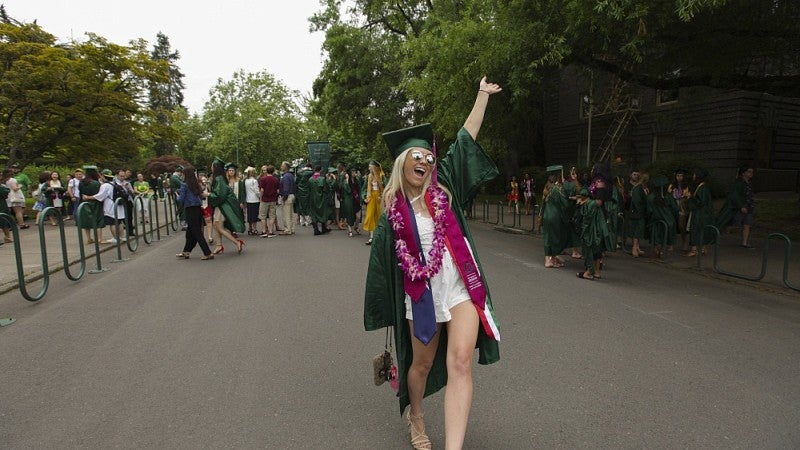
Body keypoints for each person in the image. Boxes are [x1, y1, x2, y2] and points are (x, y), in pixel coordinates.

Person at [364, 76, 502, 450]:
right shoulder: (393, 214)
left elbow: (465, 139)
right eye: (417, 156)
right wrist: (386, 309)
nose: (424, 161)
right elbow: (381, 271)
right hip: (421, 294)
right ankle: (417, 414)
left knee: (460, 362)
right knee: (421, 366)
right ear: (402, 163)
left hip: (459, 288)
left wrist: (481, 96)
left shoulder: (445, 189)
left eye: (428, 156)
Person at [175, 167, 214, 260]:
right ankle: (186, 252)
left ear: (186, 175)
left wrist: (176, 195)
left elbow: (181, 199)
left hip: (190, 209)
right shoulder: (196, 184)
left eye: (183, 174)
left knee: (197, 233)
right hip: (197, 209)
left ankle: (207, 253)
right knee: (190, 233)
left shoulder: (184, 185)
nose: (182, 175)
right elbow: (201, 197)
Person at [208, 158, 245, 255]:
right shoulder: (221, 177)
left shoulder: (219, 178)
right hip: (220, 206)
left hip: (221, 207)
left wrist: (208, 195)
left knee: (219, 227)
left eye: (212, 165)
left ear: (215, 167)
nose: (211, 167)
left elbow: (220, 195)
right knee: (217, 226)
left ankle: (237, 242)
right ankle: (219, 246)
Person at [574, 186, 611, 280]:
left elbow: (584, 220)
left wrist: (580, 205)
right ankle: (597, 272)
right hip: (599, 231)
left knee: (588, 251)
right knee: (597, 252)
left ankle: (589, 271)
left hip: (591, 232)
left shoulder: (588, 205)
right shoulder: (593, 203)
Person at [716, 165, 755, 248]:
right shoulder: (739, 183)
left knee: (747, 224)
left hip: (748, 206)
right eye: (749, 171)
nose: (751, 173)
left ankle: (744, 242)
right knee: (733, 223)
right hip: (740, 207)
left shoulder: (749, 184)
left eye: (751, 172)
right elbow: (735, 195)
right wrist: (741, 206)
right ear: (744, 173)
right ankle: (721, 232)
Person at [540, 166, 569, 268]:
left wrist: (540, 216)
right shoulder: (558, 189)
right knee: (555, 237)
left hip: (546, 215)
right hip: (555, 216)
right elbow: (565, 204)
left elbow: (543, 204)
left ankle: (551, 258)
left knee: (548, 237)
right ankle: (549, 259)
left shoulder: (546, 188)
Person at [685, 167, 714, 257]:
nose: (693, 176)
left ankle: (695, 250)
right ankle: (702, 248)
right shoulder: (702, 187)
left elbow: (699, 202)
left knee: (695, 229)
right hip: (703, 213)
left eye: (695, 174)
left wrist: (689, 197)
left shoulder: (702, 188)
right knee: (701, 230)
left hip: (700, 213)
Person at [77, 166, 106, 243]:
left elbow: (80, 193)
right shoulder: (96, 183)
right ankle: (99, 238)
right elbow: (99, 194)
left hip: (84, 203)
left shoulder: (81, 182)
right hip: (95, 202)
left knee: (86, 221)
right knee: (98, 220)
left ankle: (89, 238)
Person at [362, 160, 385, 245]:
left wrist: (382, 196)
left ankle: (378, 235)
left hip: (379, 198)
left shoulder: (381, 176)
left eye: (369, 166)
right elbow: (364, 189)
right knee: (370, 215)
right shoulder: (369, 176)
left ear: (374, 167)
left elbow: (386, 187)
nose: (368, 168)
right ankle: (371, 237)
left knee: (378, 216)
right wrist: (364, 196)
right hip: (371, 197)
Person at [629, 171, 649, 257]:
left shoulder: (638, 188)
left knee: (638, 230)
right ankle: (634, 248)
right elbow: (637, 201)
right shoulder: (638, 188)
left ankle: (636, 247)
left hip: (637, 212)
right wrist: (642, 210)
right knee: (637, 230)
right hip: (638, 213)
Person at [668, 169, 689, 251]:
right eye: (677, 176)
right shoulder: (671, 186)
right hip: (673, 207)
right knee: (672, 226)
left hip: (682, 207)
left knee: (681, 226)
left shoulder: (686, 186)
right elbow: (669, 196)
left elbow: (687, 196)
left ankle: (684, 242)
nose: (679, 177)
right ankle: (671, 244)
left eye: (681, 176)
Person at [258, 165, 280, 238]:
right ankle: (270, 232)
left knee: (263, 216)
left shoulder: (263, 179)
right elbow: (278, 190)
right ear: (273, 171)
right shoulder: (276, 180)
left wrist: (260, 198)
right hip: (273, 200)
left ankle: (264, 231)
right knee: (272, 216)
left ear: (266, 171)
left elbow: (262, 190)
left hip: (264, 200)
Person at [339, 165, 362, 237]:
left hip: (356, 200)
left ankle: (356, 226)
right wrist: (346, 180)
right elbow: (348, 190)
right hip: (349, 200)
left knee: (358, 217)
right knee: (349, 216)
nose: (354, 173)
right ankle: (350, 230)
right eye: (352, 171)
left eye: (354, 171)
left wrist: (361, 200)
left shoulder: (357, 180)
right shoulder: (345, 181)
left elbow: (360, 190)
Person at [279, 161, 297, 235]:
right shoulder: (290, 175)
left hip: (287, 196)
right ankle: (291, 229)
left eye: (282, 165)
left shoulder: (285, 176)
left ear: (285, 167)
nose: (281, 166)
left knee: (286, 214)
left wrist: (284, 197)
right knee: (290, 213)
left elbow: (286, 188)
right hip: (292, 195)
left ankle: (287, 230)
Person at [242, 167, 261, 235]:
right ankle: (255, 229)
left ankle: (250, 228)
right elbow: (256, 191)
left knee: (250, 215)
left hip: (248, 199)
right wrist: (260, 195)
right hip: (255, 200)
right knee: (255, 215)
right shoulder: (255, 181)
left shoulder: (246, 181)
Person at [296, 162, 314, 227]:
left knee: (301, 205)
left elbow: (296, 181)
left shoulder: (299, 172)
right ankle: (308, 221)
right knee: (307, 205)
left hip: (300, 191)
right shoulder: (311, 173)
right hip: (307, 190)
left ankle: (302, 221)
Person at [0, 169, 14, 244]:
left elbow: (5, 192)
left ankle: (7, 236)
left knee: (4, 220)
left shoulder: (3, 185)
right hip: (2, 204)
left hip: (2, 204)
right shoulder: (2, 187)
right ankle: (7, 236)